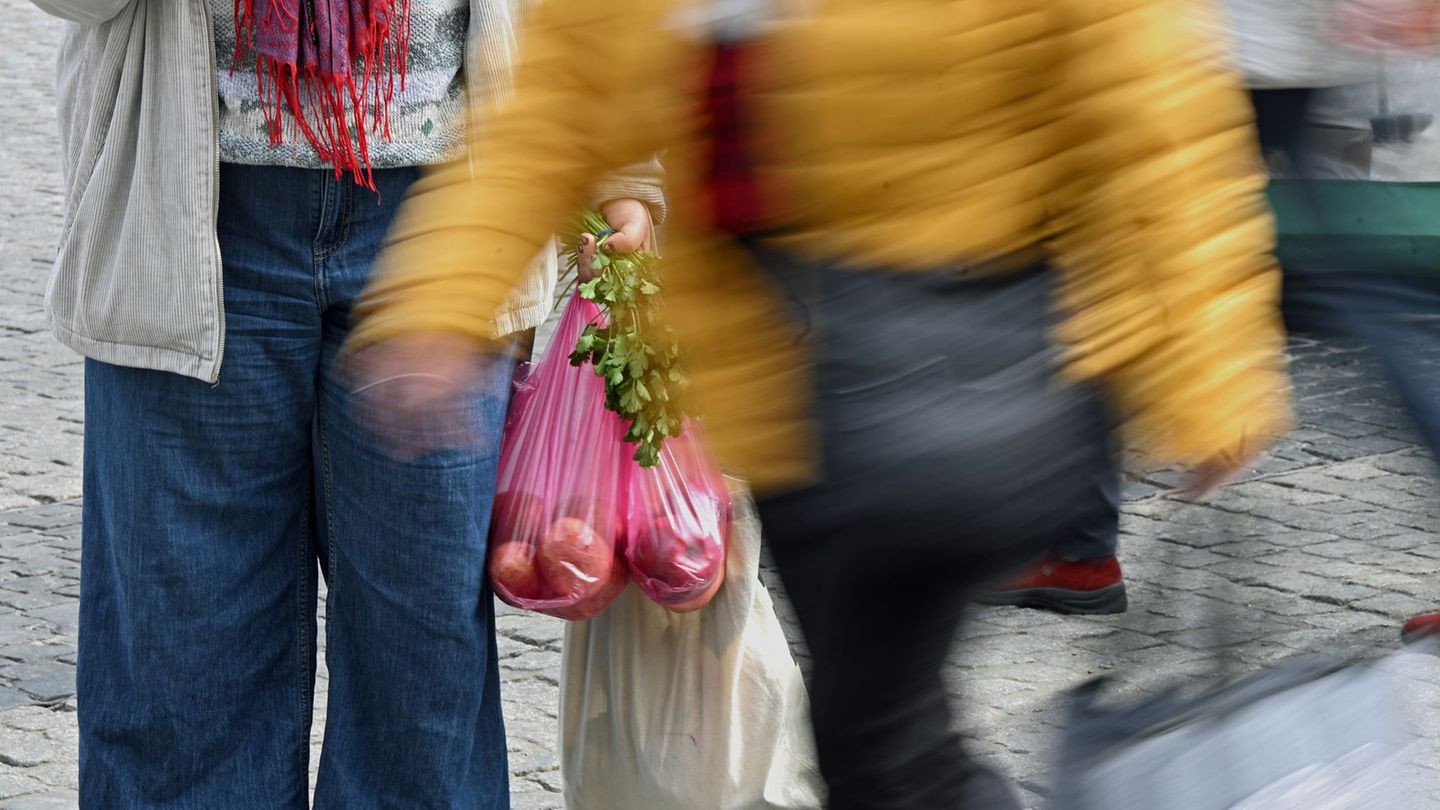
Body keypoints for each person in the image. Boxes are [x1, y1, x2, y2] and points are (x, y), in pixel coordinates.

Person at [345, 0, 1291, 806]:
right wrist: (438, 303)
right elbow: (551, 111)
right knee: (876, 739)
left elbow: (1155, 111)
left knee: (879, 739)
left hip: (968, 372)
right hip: (784, 390)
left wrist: (1211, 371)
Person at [31, 1, 663, 805]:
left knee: (421, 669)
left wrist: (623, 166)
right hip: (187, 219)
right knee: (182, 666)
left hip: (451, 226)